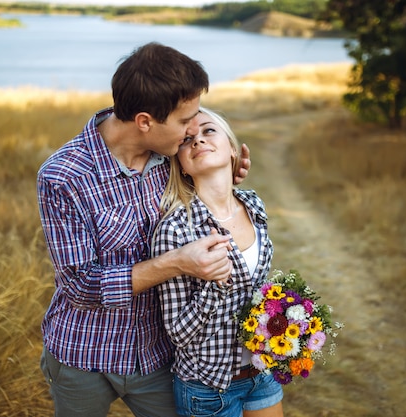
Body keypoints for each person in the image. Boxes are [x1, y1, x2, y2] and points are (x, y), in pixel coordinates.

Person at [36, 42, 251, 417]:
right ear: (145, 121)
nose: (191, 131)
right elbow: (80, 285)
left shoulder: (169, 156)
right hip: (82, 355)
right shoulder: (63, 177)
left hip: (159, 355)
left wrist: (224, 174)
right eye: (185, 121)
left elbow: (203, 189)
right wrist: (176, 263)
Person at [152, 108, 284, 417]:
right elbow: (178, 334)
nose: (197, 140)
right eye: (187, 140)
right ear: (181, 165)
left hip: (261, 370)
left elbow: (257, 288)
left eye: (208, 131)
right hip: (208, 387)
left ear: (233, 149)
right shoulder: (175, 229)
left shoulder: (253, 205)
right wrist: (214, 286)